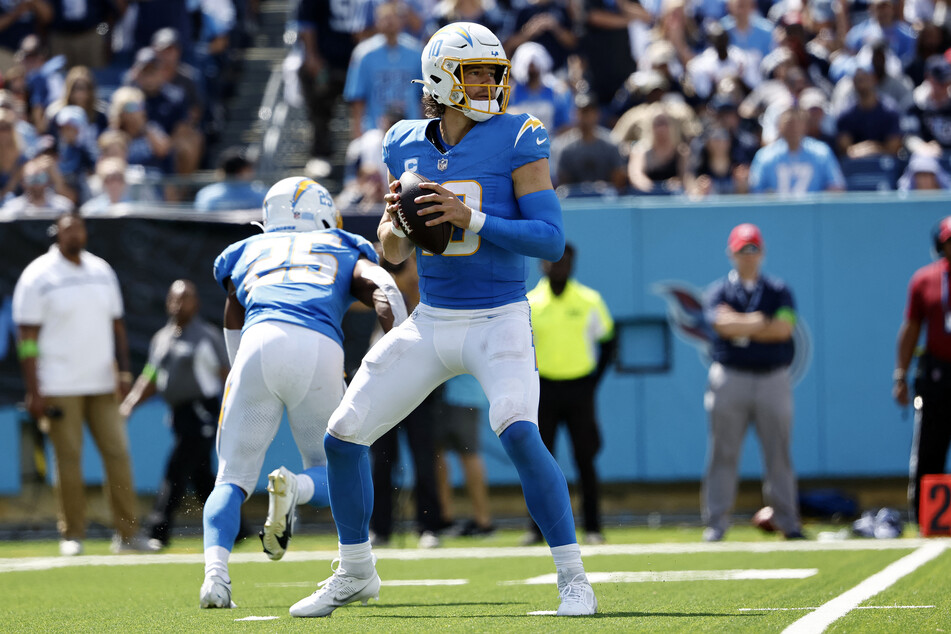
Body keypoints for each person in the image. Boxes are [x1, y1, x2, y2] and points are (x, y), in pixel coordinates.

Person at [288, 22, 598, 619]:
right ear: (439, 77)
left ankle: (573, 578)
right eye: (474, 72)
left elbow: (552, 240)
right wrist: (396, 226)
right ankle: (355, 571)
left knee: (517, 429)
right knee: (343, 435)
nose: (487, 83)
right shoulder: (403, 141)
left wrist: (471, 218)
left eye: (492, 72)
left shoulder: (519, 135)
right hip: (434, 318)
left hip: (499, 315)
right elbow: (392, 250)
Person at [198, 177, 407, 609]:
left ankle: (215, 579)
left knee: (232, 477)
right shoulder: (341, 243)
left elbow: (233, 307)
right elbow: (385, 291)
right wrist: (398, 356)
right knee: (336, 467)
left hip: (256, 342)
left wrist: (241, 366)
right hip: (317, 348)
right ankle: (295, 487)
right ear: (323, 214)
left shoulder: (249, 250)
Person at [12, 212, 152, 556]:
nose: (76, 233)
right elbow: (26, 338)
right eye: (68, 228)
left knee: (118, 454)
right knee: (68, 459)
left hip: (103, 383)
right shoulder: (37, 276)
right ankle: (72, 534)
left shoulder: (102, 271)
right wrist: (34, 388)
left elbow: (117, 326)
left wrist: (123, 372)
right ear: (56, 234)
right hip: (59, 385)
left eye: (80, 227)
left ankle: (127, 534)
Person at [701, 223, 804, 542]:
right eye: (742, 250)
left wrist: (742, 324)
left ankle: (788, 521)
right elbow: (721, 325)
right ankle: (716, 523)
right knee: (722, 452)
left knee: (779, 453)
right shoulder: (719, 290)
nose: (748, 256)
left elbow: (784, 329)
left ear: (762, 252)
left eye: (753, 249)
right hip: (730, 377)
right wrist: (760, 321)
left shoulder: (778, 289)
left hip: (772, 377)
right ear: (731, 253)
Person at [120, 280, 230, 549]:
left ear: (196, 303)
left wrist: (234, 408)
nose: (178, 304)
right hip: (179, 415)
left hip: (202, 411)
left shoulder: (207, 335)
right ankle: (235, 528)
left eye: (185, 298)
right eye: (173, 298)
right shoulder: (162, 338)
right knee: (201, 477)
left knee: (176, 469)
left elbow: (228, 374)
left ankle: (158, 530)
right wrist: (129, 404)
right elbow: (151, 376)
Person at [524, 243, 616, 546]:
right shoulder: (530, 303)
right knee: (539, 462)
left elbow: (609, 342)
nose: (560, 265)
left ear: (573, 265)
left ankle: (593, 527)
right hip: (544, 392)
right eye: (554, 260)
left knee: (585, 460)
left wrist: (593, 382)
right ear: (542, 264)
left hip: (580, 391)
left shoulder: (589, 300)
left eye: (566, 261)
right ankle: (536, 530)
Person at [366, 251, 444, 549]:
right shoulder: (378, 290)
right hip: (384, 384)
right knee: (382, 461)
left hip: (418, 385)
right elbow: (365, 300)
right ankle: (380, 529)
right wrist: (381, 263)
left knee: (424, 459)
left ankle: (428, 526)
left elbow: (416, 288)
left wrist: (409, 264)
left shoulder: (418, 289)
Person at [893, 216, 951, 525]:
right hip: (938, 375)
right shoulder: (925, 280)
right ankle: (927, 519)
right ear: (940, 246)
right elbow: (911, 329)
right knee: (930, 447)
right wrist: (900, 375)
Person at [433, 374, 494, 537]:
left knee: (465, 455)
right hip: (462, 395)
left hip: (458, 394)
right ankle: (450, 518)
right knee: (444, 455)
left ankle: (481, 521)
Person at [749, 107, 845, 194]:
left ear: (805, 126)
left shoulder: (821, 152)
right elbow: (756, 189)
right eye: (789, 124)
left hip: (813, 211)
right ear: (780, 127)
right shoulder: (765, 156)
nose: (793, 129)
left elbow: (836, 185)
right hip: (776, 212)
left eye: (797, 124)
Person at [194, 146, 267, 212]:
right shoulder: (260, 194)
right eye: (249, 169)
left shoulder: (206, 194)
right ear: (243, 171)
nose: (252, 172)